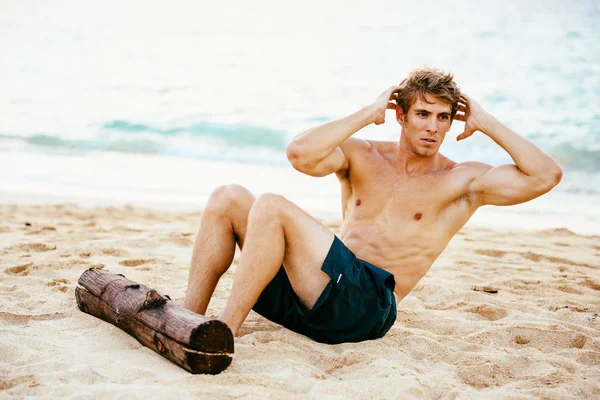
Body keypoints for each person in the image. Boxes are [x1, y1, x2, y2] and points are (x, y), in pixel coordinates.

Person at [182, 68, 563, 344]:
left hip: (366, 310)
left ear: (452, 123)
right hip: (310, 297)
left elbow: (545, 176)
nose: (433, 127)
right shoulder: (362, 156)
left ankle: (224, 333)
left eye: (443, 117)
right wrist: (368, 112)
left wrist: (489, 122)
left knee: (271, 205)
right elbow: (299, 153)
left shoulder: (462, 181)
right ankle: (186, 319)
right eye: (423, 114)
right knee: (227, 197)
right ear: (401, 116)